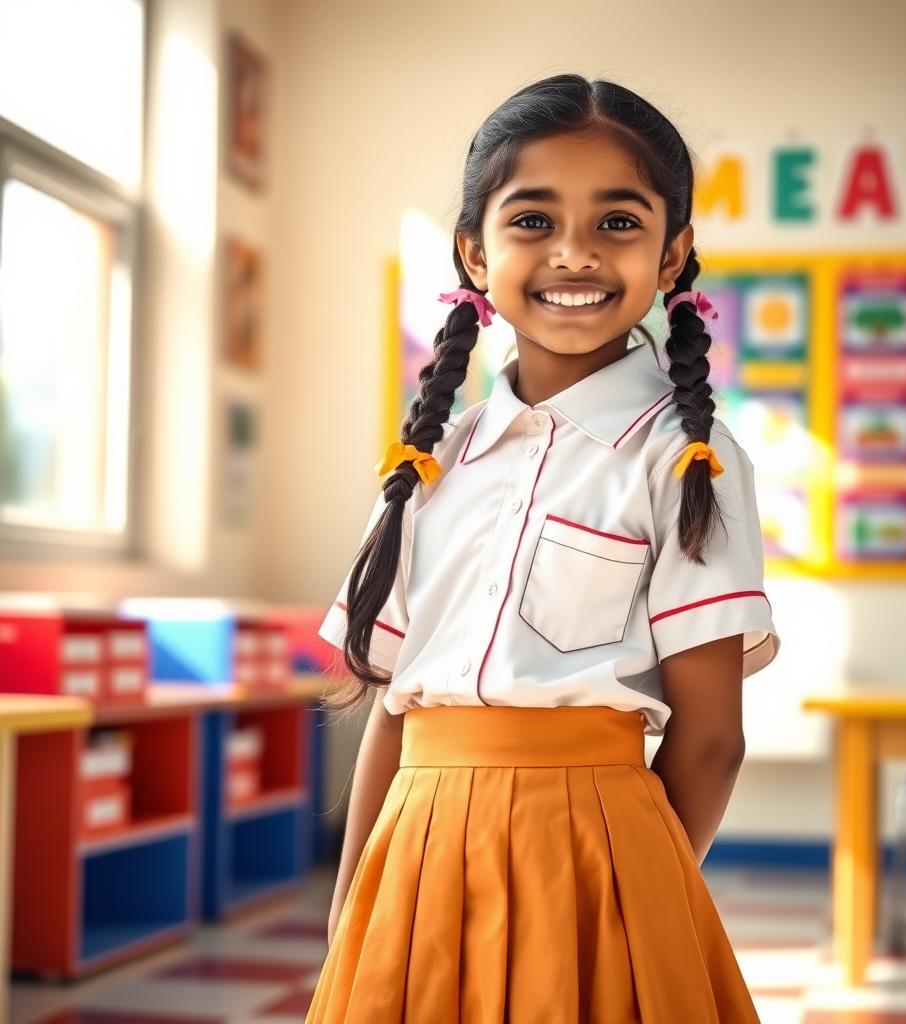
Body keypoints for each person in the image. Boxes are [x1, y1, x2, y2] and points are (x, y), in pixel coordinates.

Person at [305, 72, 781, 1023]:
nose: (575, 253)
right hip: (417, 853)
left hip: (596, 855)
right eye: (532, 220)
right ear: (473, 254)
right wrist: (351, 899)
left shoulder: (686, 461)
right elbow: (397, 709)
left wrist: (636, 897)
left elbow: (714, 738)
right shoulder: (426, 461)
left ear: (674, 253)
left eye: (617, 222)